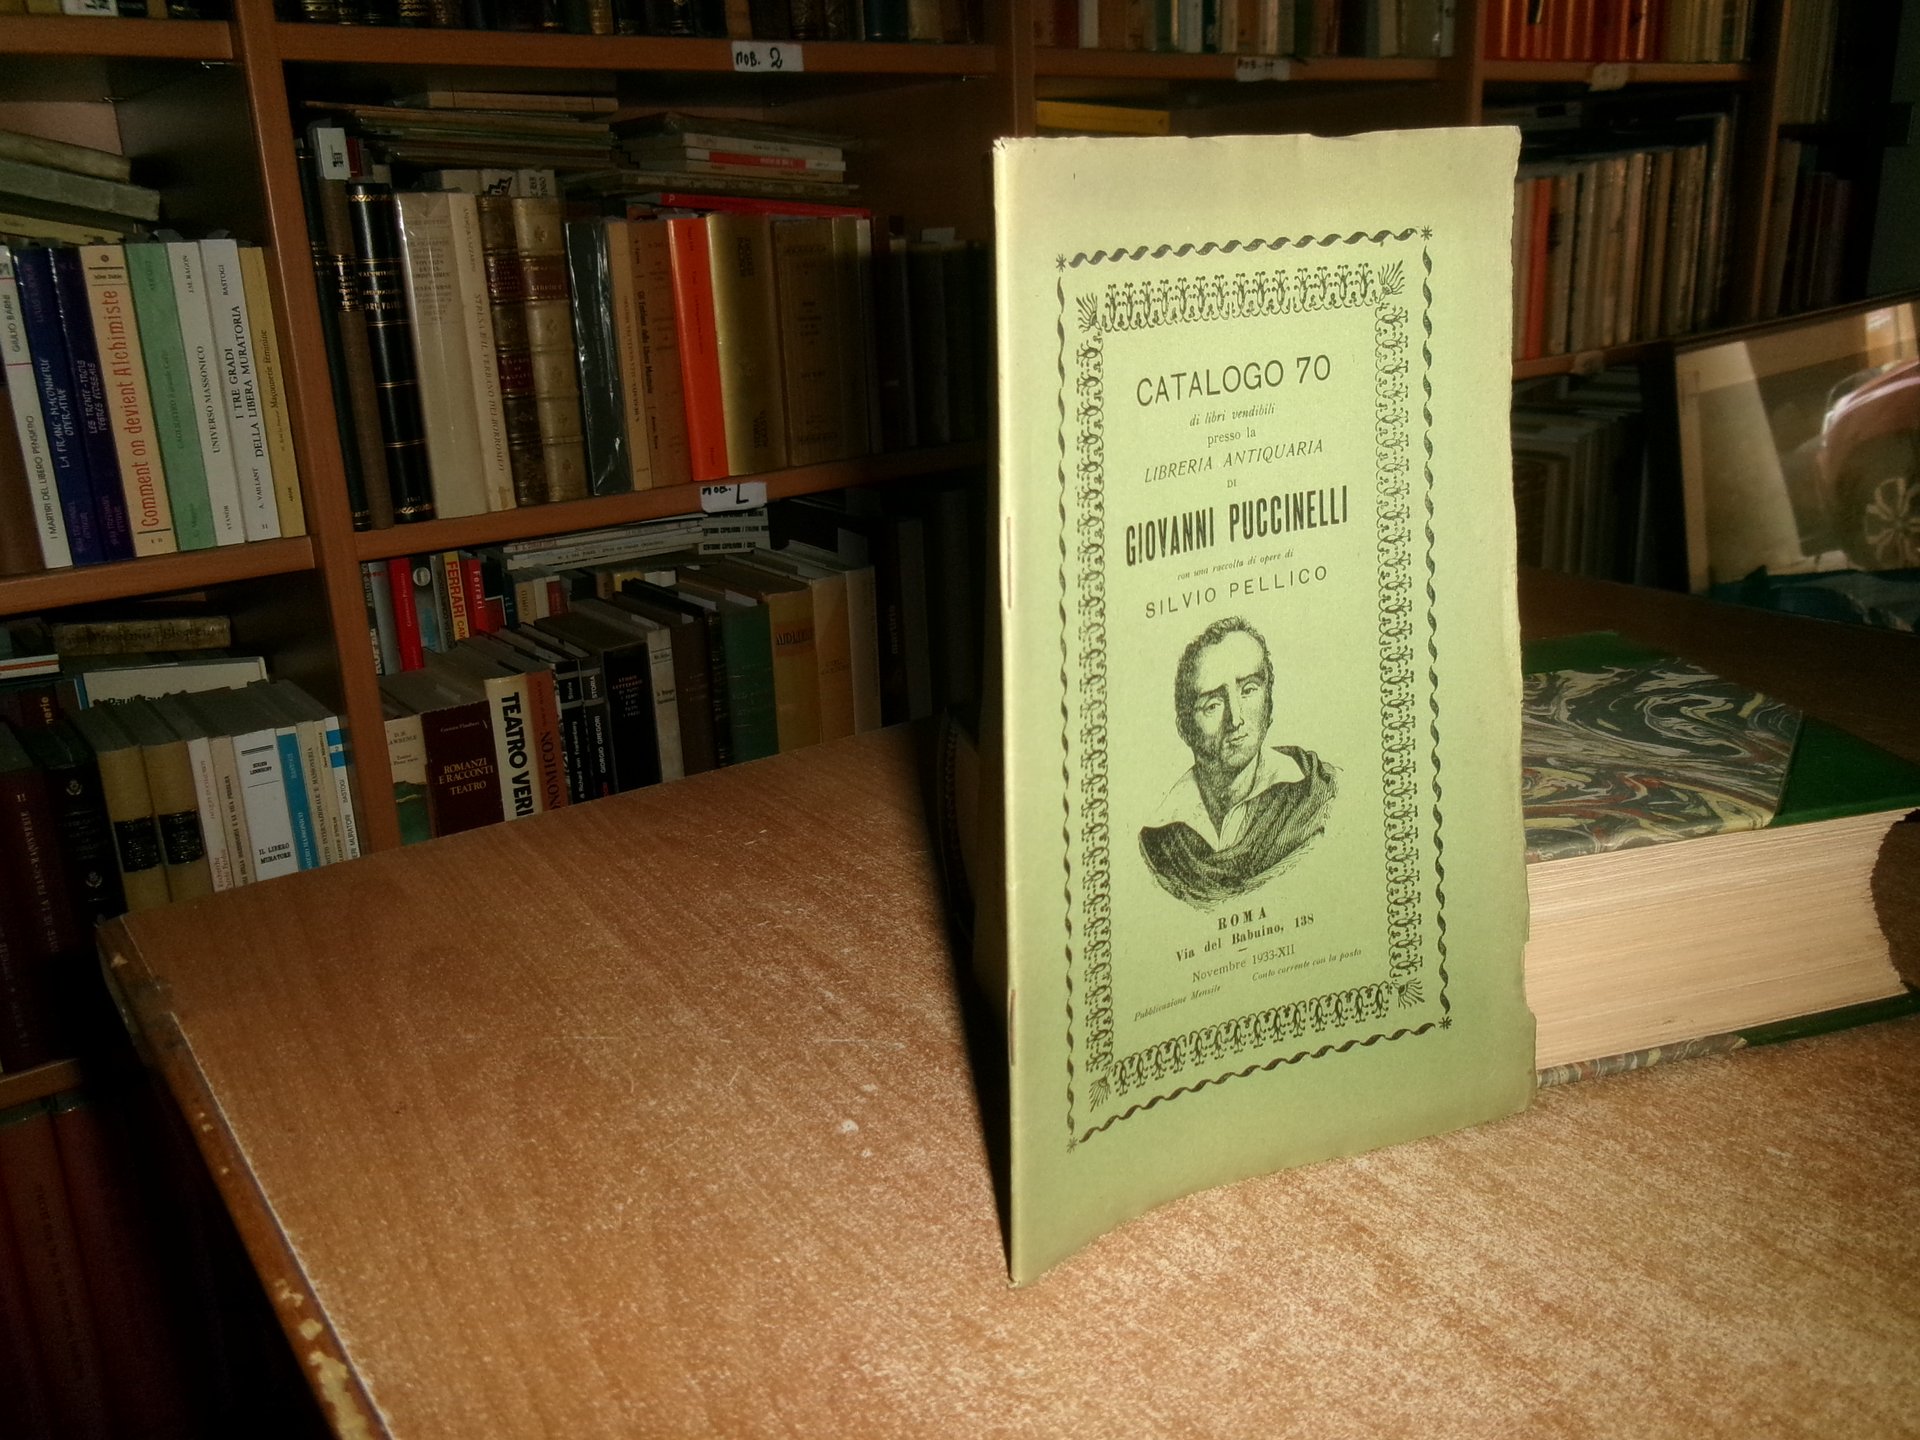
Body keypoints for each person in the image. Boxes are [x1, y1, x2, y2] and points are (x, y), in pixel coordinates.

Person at [1138, 616, 1337, 907]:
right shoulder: (1160, 842)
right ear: (1184, 729)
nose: (1236, 719)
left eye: (1248, 690)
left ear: (1269, 700)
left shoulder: (1316, 789)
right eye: (1213, 704)